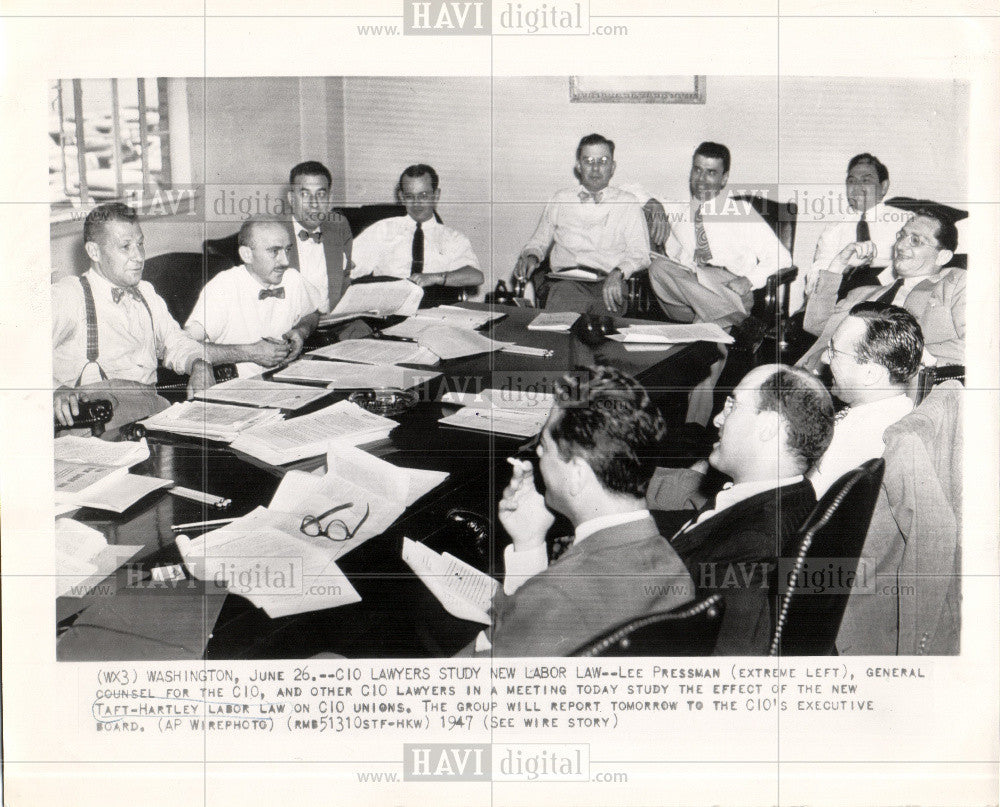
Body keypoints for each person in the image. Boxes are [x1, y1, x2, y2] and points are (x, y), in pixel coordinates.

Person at [463, 367, 695, 657]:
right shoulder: (674, 568)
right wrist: (530, 543)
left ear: (577, 475)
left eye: (543, 446)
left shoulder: (556, 596)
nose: (536, 454)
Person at [647, 365, 833, 654]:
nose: (718, 418)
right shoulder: (794, 495)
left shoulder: (753, 547)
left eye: (732, 405)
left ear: (768, 426)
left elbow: (726, 664)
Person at [52, 203, 215, 427]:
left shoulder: (146, 292)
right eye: (125, 247)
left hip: (152, 415)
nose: (139, 256)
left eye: (140, 244)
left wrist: (199, 364)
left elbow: (175, 341)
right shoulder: (68, 295)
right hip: (96, 426)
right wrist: (53, 390)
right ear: (94, 251)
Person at [799, 204, 964, 369]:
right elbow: (816, 325)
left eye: (915, 240)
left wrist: (901, 355)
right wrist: (838, 264)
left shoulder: (955, 284)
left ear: (942, 256)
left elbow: (975, 347)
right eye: (901, 236)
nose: (900, 245)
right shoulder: (863, 294)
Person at [644, 141, 792, 325]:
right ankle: (739, 323)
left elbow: (782, 257)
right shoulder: (678, 210)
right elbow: (626, 192)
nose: (701, 179)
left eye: (711, 172)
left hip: (728, 290)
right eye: (697, 170)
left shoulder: (740, 211)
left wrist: (748, 280)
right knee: (658, 268)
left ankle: (715, 323)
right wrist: (652, 202)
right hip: (687, 300)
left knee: (705, 321)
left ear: (724, 178)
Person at [513, 133, 650, 316]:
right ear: (578, 166)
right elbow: (538, 241)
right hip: (565, 282)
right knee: (563, 309)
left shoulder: (628, 203)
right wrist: (531, 256)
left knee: (601, 332)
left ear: (612, 167)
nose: (595, 168)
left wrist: (618, 273)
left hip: (608, 283)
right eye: (588, 161)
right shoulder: (561, 199)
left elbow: (641, 254)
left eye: (602, 161)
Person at [808, 302, 923, 497]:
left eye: (834, 351)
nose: (825, 359)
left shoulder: (864, 437)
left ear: (871, 374)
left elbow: (806, 504)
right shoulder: (895, 409)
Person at [185, 216, 319, 377]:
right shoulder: (223, 287)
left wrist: (301, 331)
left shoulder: (292, 279)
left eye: (287, 250)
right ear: (247, 255)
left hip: (285, 380)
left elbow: (313, 313)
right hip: (236, 387)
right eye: (274, 251)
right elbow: (184, 345)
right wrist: (251, 353)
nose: (285, 261)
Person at [350, 164, 483, 300]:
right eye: (409, 196)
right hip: (389, 308)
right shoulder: (382, 230)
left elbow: (476, 276)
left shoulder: (453, 238)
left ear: (436, 195)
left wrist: (434, 277)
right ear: (401, 197)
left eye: (423, 195)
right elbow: (347, 265)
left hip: (435, 310)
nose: (416, 203)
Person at [806, 153, 905, 295]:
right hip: (839, 298)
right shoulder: (833, 230)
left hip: (886, 297)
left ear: (883, 186)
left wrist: (872, 282)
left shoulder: (904, 221)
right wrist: (842, 266)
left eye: (866, 180)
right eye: (851, 181)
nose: (857, 186)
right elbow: (813, 286)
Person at [285, 160, 354, 314]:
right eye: (304, 194)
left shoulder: (339, 226)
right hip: (291, 327)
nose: (314, 204)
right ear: (291, 199)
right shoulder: (274, 233)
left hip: (333, 323)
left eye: (321, 195)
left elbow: (345, 280)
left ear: (329, 200)